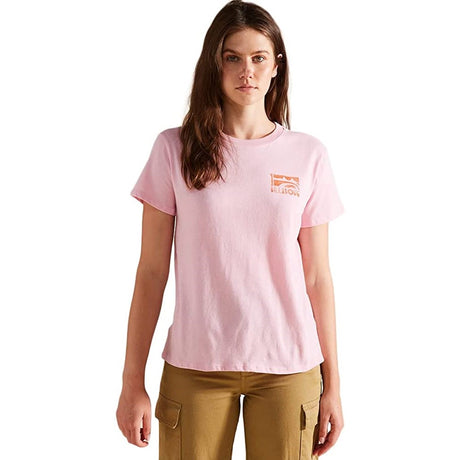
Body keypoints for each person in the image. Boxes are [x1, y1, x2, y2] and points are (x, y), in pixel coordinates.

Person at [116, 1, 345, 458]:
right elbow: (151, 272)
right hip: (195, 363)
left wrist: (334, 386)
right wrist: (131, 381)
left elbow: (317, 276)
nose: (247, 71)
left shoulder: (308, 155)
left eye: (259, 58)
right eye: (232, 57)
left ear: (276, 66)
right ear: (214, 64)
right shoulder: (174, 149)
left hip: (288, 365)